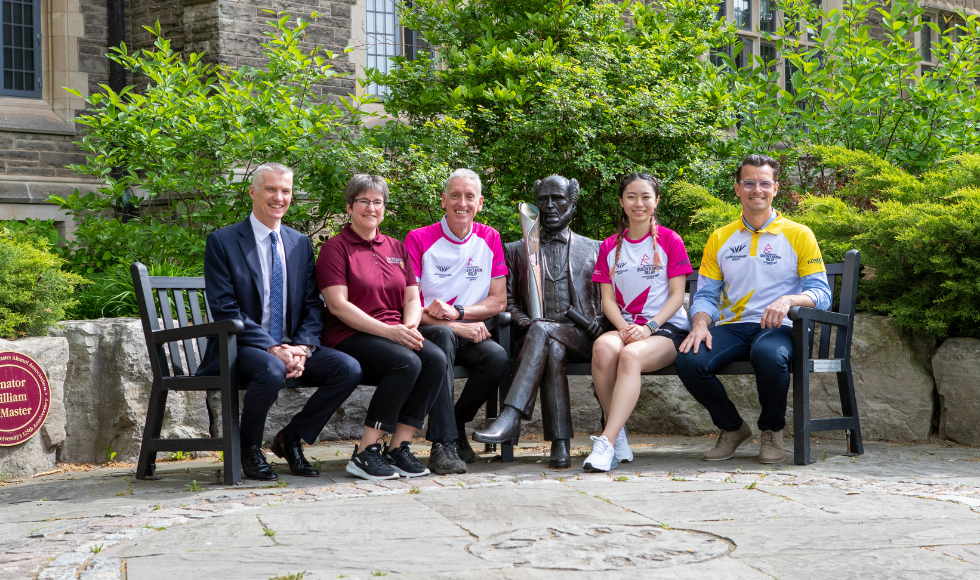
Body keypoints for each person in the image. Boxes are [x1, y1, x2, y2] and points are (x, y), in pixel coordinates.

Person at [199, 162, 362, 481]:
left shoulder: (299, 243)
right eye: (271, 189)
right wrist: (274, 348)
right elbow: (225, 308)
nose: (279, 197)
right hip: (240, 346)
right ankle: (248, 448)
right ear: (253, 191)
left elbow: (312, 305)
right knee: (271, 369)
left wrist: (301, 346)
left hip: (290, 345)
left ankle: (291, 439)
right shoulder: (223, 241)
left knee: (347, 368)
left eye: (285, 191)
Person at [674, 154, 831, 464]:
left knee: (768, 354)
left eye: (764, 183)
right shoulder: (720, 238)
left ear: (776, 188)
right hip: (732, 327)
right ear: (737, 189)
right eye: (749, 183)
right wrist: (701, 323)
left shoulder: (800, 234)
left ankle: (772, 431)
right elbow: (705, 294)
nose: (756, 190)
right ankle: (732, 428)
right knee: (689, 358)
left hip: (781, 328)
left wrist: (789, 301)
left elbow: (821, 293)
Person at [317, 174, 451, 481]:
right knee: (405, 362)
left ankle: (398, 446)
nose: (371, 208)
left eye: (377, 202)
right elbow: (338, 305)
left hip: (394, 332)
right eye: (363, 201)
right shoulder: (335, 249)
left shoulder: (396, 247)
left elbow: (412, 297)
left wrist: (407, 327)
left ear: (384, 208)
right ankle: (366, 451)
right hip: (349, 335)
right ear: (349, 207)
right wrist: (390, 332)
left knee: (435, 359)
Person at [474, 175, 606, 468]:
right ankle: (560, 446)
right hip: (536, 336)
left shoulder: (596, 248)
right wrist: (523, 322)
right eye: (543, 199)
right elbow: (507, 303)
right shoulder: (515, 250)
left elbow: (610, 298)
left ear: (572, 202)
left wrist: (600, 320)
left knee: (545, 333)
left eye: (557, 198)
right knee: (551, 345)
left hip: (582, 336)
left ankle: (510, 417)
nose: (549, 205)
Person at [584, 173, 693, 472]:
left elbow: (676, 297)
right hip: (626, 326)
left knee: (631, 355)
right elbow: (607, 301)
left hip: (666, 330)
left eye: (646, 196)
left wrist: (649, 328)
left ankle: (605, 442)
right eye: (631, 196)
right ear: (621, 202)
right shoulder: (609, 246)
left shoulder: (671, 240)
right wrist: (622, 328)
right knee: (603, 349)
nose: (639, 203)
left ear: (656, 201)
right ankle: (618, 437)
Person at [404, 169, 509, 470]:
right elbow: (411, 306)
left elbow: (498, 300)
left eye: (469, 197)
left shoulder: (490, 237)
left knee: (497, 358)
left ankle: (456, 422)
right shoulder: (418, 238)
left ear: (480, 203)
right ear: (443, 201)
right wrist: (453, 324)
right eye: (455, 195)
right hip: (430, 332)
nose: (461, 203)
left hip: (469, 331)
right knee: (447, 337)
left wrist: (460, 313)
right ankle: (444, 445)